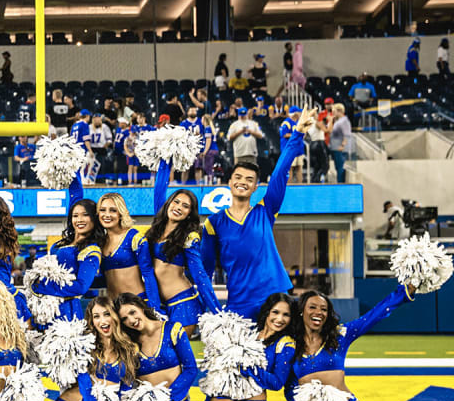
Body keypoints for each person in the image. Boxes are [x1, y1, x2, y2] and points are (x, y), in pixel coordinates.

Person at [201, 108, 316, 320]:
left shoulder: (265, 210)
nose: (242, 182)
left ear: (256, 187)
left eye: (249, 179)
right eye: (238, 177)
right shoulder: (214, 223)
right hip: (239, 302)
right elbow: (204, 271)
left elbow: (280, 172)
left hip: (274, 299)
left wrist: (298, 133)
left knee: (282, 353)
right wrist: (210, 309)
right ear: (229, 182)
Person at [288, 282, 421, 401]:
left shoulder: (340, 335)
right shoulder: (291, 344)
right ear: (301, 311)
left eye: (324, 309)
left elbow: (375, 314)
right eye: (312, 307)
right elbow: (288, 383)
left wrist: (404, 293)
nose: (318, 312)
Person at [200, 292, 295, 401]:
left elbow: (277, 383)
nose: (280, 319)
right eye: (276, 312)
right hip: (225, 400)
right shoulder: (245, 333)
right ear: (267, 312)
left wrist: (250, 366)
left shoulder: (286, 344)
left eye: (286, 315)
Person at [46, 296, 138, 401]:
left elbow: (126, 387)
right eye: (96, 316)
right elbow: (84, 383)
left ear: (115, 316)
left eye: (106, 314)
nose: (102, 321)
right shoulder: (85, 345)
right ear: (92, 320)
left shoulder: (129, 347)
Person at [117, 293, 197, 401]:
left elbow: (190, 368)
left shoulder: (172, 328)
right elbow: (127, 379)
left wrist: (169, 400)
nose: (131, 320)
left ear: (141, 307)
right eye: (124, 319)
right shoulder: (128, 341)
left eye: (132, 312)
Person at [146, 177, 220, 336]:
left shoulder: (189, 237)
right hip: (158, 303)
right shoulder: (157, 227)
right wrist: (166, 157)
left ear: (189, 214)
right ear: (168, 203)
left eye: (185, 206)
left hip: (183, 305)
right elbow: (159, 189)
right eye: (176, 202)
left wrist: (218, 313)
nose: (178, 207)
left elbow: (199, 276)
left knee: (174, 357)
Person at [31, 173, 103, 322]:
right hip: (46, 309)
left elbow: (81, 287)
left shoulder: (91, 250)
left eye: (85, 215)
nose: (79, 219)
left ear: (94, 219)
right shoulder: (63, 243)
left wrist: (42, 287)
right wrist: (71, 167)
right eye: (75, 216)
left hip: (67, 310)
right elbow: (76, 193)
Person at [94, 193, 159, 308]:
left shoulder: (134, 237)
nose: (107, 215)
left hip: (137, 305)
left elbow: (148, 274)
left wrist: (154, 307)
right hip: (114, 307)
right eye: (103, 210)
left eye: (113, 210)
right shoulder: (100, 242)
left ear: (121, 213)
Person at [329, 103, 352, 183]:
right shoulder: (339, 121)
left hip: (340, 149)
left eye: (334, 111)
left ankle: (341, 184)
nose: (333, 113)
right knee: (338, 167)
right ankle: (339, 183)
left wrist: (342, 146)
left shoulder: (344, 121)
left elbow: (347, 135)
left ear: (339, 111)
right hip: (336, 148)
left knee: (340, 168)